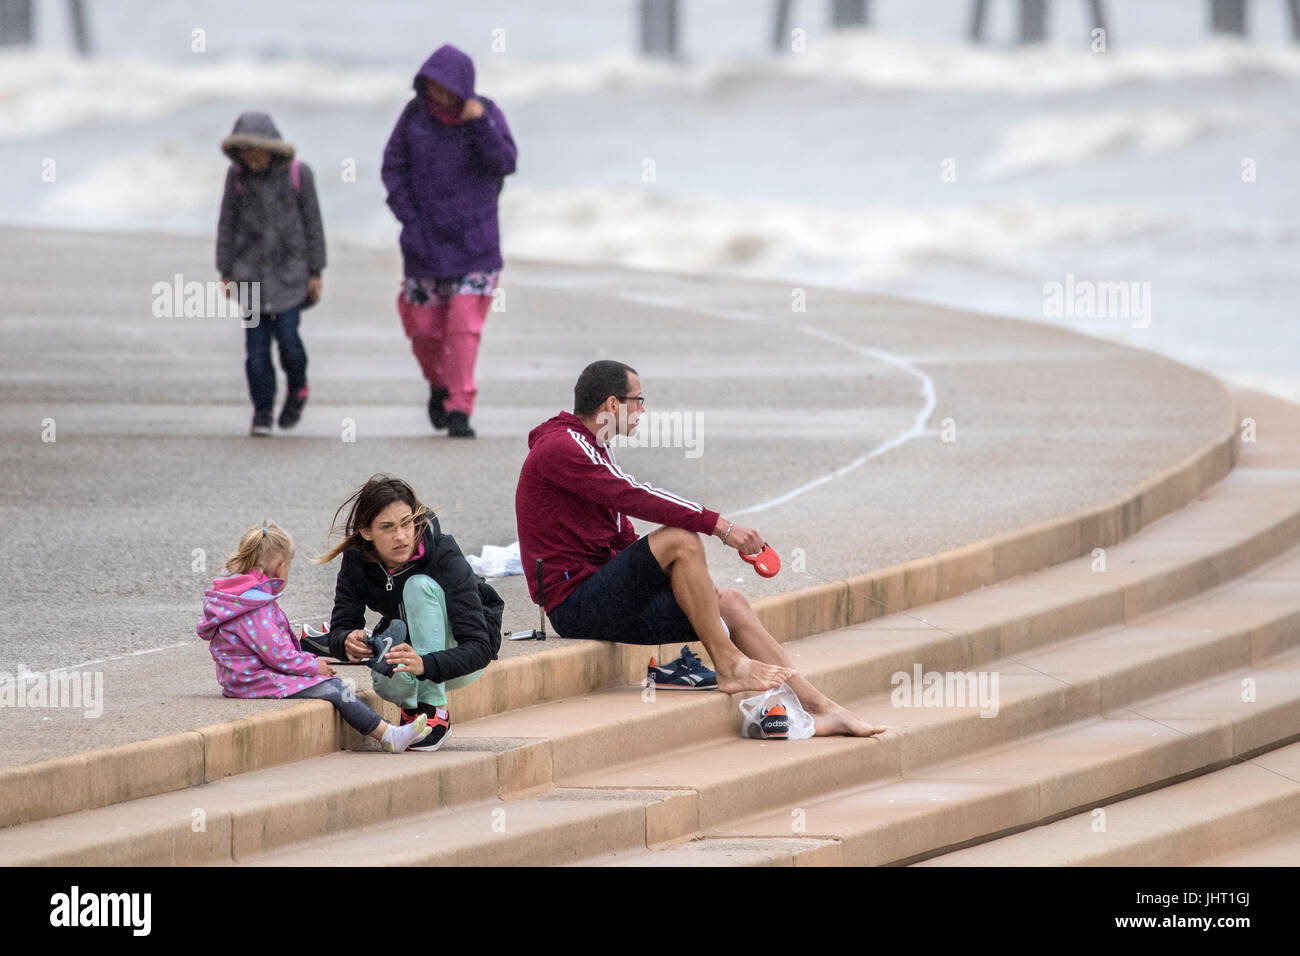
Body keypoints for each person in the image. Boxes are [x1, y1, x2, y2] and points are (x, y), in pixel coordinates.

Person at [515, 360, 886, 737]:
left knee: (731, 602)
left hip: (606, 597)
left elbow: (622, 536)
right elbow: (637, 496)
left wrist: (691, 590)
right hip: (575, 605)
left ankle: (823, 707)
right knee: (680, 540)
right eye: (638, 400)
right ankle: (727, 664)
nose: (643, 410)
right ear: (612, 405)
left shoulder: (593, 446)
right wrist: (721, 527)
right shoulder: (563, 447)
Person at [197, 522, 433, 754]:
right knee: (335, 689)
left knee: (332, 686)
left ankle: (390, 731)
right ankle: (389, 736)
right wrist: (312, 666)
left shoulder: (243, 597)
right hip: (250, 680)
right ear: (281, 567)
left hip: (240, 675)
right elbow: (277, 654)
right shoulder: (255, 607)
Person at [307, 475, 503, 752]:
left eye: (406, 523)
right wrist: (346, 640)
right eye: (387, 527)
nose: (401, 536)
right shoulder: (356, 558)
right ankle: (413, 717)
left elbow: (480, 647)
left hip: (459, 652)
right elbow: (342, 624)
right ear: (366, 532)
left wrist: (426, 664)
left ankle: (434, 712)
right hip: (414, 650)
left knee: (417, 586)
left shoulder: (442, 553)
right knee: (386, 681)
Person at [381, 43, 517, 439]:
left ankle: (460, 407)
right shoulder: (413, 116)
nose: (438, 94)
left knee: (462, 324)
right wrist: (408, 217)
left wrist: (479, 124)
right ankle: (439, 383)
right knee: (423, 328)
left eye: (445, 86)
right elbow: (393, 167)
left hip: (476, 245)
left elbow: (505, 163)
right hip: (424, 243)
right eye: (432, 85)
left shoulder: (486, 115)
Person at [217, 111, 326, 436]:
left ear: (271, 148)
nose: (251, 157)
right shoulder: (235, 177)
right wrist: (225, 270)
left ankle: (297, 390)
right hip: (249, 276)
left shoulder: (298, 174)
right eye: (244, 151)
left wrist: (315, 271)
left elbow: (313, 223)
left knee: (290, 342)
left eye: (256, 149)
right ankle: (262, 412)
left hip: (291, 273)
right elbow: (227, 224)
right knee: (255, 352)